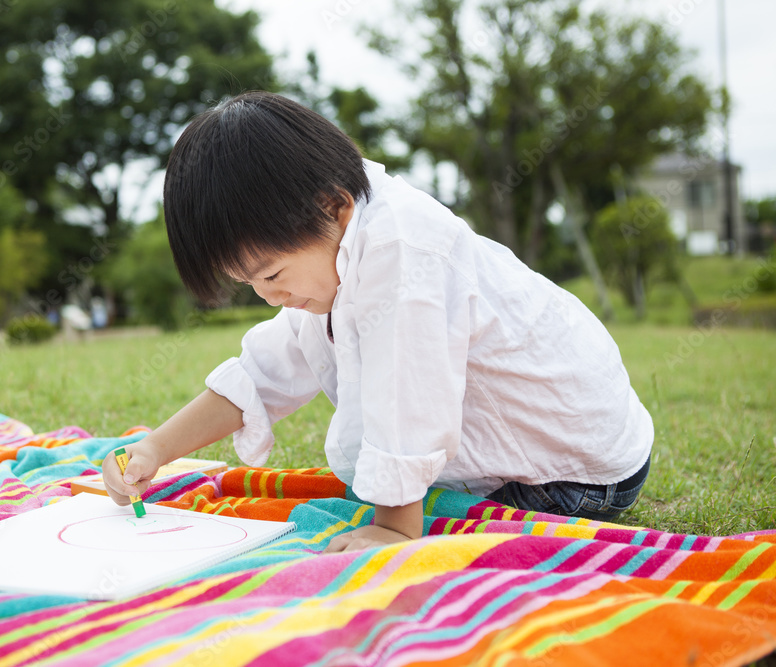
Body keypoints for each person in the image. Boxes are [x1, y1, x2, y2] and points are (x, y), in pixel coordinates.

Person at [102, 91, 654, 553]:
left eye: (272, 274)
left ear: (333, 207)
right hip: (547, 455)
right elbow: (264, 370)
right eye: (250, 285)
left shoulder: (403, 249)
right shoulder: (336, 246)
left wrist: (393, 528)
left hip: (576, 475)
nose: (271, 298)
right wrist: (155, 448)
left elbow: (408, 397)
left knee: (411, 513)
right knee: (367, 480)